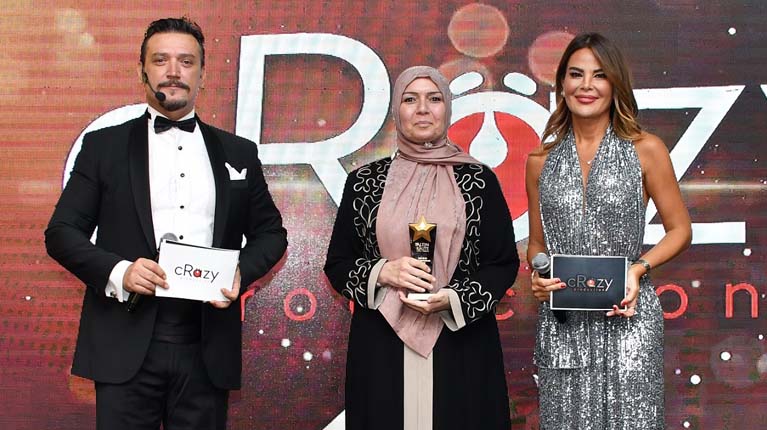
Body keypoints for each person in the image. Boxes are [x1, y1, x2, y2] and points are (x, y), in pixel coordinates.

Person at [45, 17, 287, 430]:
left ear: (203, 75)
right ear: (142, 71)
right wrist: (120, 271)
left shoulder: (239, 152)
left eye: (186, 62)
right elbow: (61, 233)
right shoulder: (103, 146)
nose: (174, 71)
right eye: (161, 60)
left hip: (207, 348)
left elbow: (271, 234)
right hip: (123, 342)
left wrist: (239, 271)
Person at [324, 66, 519, 430]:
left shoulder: (479, 180)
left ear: (448, 108)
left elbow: (502, 263)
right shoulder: (364, 182)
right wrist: (384, 272)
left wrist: (453, 299)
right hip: (382, 342)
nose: (423, 109)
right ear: (396, 111)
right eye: (410, 99)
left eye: (434, 99)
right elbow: (338, 263)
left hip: (460, 342)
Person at [525, 32, 692, 429]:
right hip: (563, 324)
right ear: (561, 84)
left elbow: (680, 230)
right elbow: (536, 243)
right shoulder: (539, 160)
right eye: (576, 74)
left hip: (629, 319)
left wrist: (638, 269)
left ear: (615, 84)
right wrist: (539, 273)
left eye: (599, 75)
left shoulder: (646, 149)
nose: (586, 85)